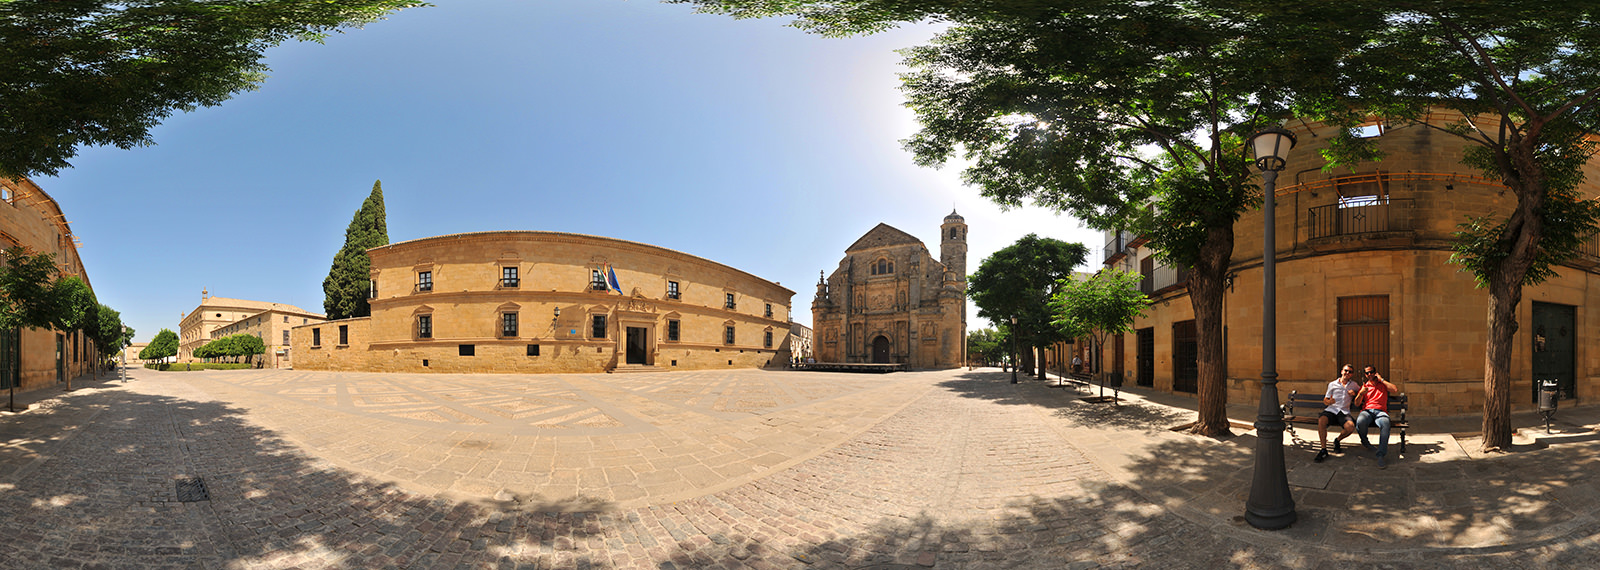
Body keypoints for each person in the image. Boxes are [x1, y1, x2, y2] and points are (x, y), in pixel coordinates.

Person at [1354, 366, 1400, 468]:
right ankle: (1365, 441)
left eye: (1371, 372)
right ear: (1365, 375)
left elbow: (1395, 389)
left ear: (1375, 372)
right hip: (1367, 411)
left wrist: (1382, 379)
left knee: (1385, 424)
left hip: (1381, 412)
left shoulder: (1382, 385)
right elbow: (1357, 404)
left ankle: (1380, 455)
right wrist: (1361, 394)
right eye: (1367, 373)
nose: (1369, 374)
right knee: (1360, 421)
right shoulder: (1364, 387)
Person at [1314, 365, 1362, 462]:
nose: (1347, 373)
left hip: (1344, 412)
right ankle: (1323, 449)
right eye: (1346, 370)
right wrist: (1329, 402)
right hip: (1331, 410)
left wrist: (1355, 394)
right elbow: (1325, 400)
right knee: (1321, 421)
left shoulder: (1354, 385)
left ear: (1352, 374)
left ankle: (1338, 440)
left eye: (1350, 372)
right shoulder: (1332, 384)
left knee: (1350, 427)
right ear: (1341, 371)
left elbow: (1362, 392)